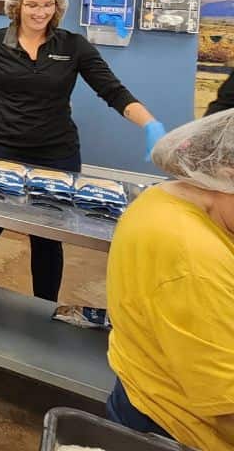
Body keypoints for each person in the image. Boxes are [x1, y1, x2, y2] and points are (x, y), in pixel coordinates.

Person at [0, 0, 166, 301]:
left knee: (47, 236)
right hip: (2, 148)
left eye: (47, 5)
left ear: (57, 6)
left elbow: (111, 90)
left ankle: (44, 309)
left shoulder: (73, 45)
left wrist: (151, 125)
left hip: (56, 153)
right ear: (17, 6)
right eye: (32, 5)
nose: (40, 12)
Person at [106, 111, 234, 449]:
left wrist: (147, 120)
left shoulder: (162, 198)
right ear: (225, 174)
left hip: (142, 385)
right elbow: (227, 409)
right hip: (175, 426)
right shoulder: (194, 260)